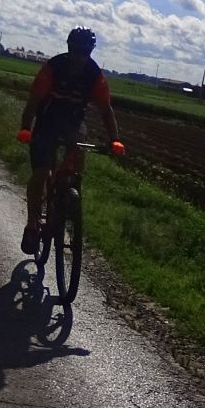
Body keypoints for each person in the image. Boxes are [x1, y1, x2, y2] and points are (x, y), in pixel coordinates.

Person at [16, 27, 123, 255]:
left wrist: (115, 139)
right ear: (69, 48)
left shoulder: (94, 74)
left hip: (73, 121)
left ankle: (68, 202)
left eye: (85, 52)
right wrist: (26, 127)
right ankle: (32, 223)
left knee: (78, 154)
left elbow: (106, 110)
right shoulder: (53, 67)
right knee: (41, 172)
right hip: (47, 120)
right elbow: (34, 101)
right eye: (76, 51)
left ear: (90, 51)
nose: (80, 57)